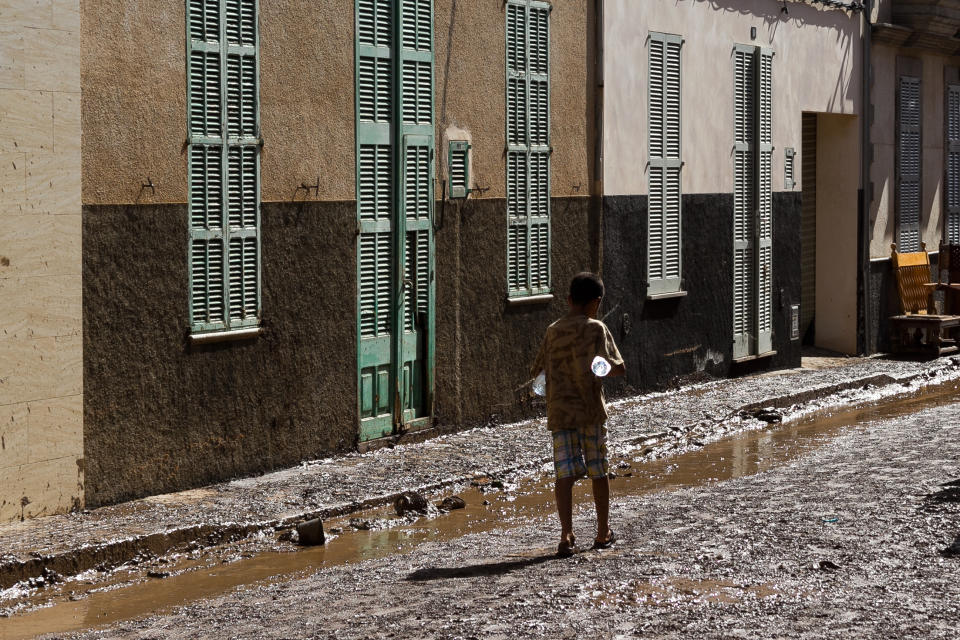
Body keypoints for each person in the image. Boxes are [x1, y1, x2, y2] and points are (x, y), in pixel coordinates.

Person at [530, 272, 625, 557]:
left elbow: (538, 373)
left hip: (559, 413)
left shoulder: (552, 330)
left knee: (564, 475)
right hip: (590, 412)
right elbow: (617, 368)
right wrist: (597, 368)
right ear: (596, 302)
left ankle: (566, 535)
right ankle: (601, 532)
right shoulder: (597, 328)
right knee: (599, 471)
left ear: (569, 299)